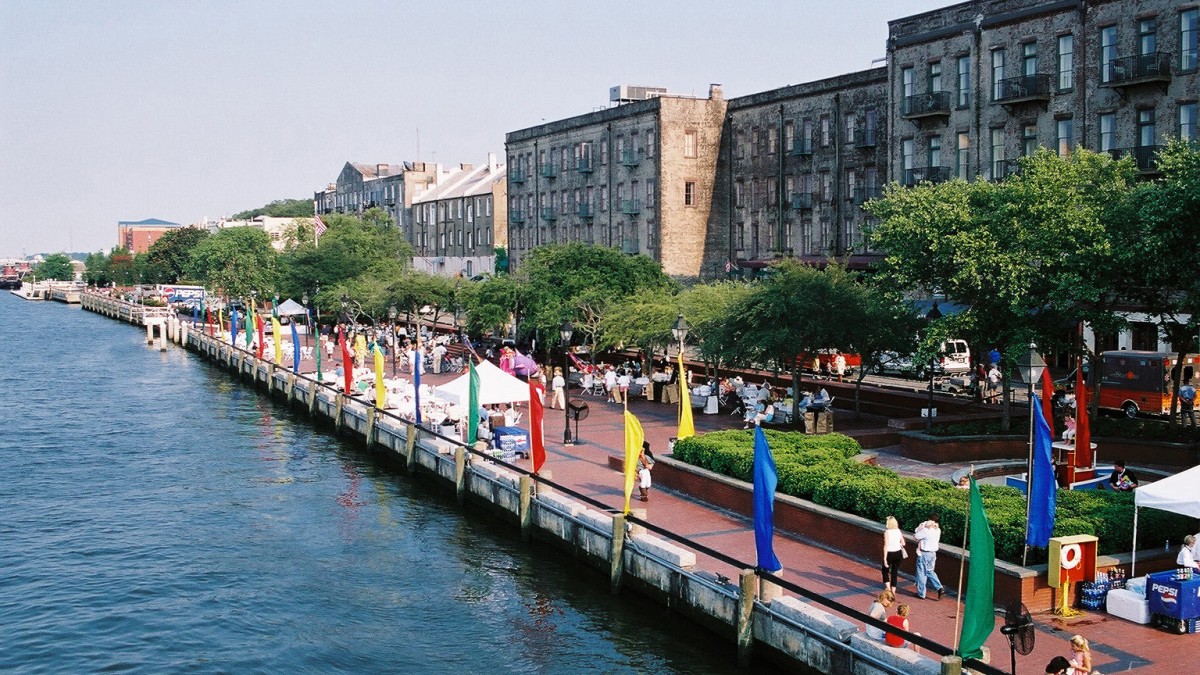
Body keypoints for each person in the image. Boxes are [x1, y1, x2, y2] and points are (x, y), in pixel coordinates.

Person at [914, 515, 945, 600]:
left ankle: (921, 593)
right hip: (933, 554)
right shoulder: (938, 530)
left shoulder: (926, 530)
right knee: (930, 571)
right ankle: (939, 587)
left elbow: (916, 536)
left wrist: (921, 526)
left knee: (922, 573)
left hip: (924, 554)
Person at [882, 516, 907, 592]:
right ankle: (893, 591)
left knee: (885, 570)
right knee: (894, 572)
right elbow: (903, 543)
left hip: (890, 553)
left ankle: (888, 589)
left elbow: (886, 546)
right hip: (898, 553)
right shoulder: (898, 531)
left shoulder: (887, 532)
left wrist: (885, 558)